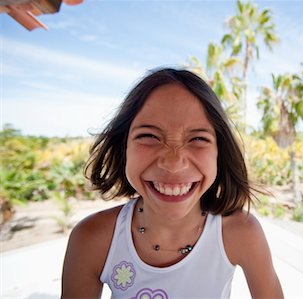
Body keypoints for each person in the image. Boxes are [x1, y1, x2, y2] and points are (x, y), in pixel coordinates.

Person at [61, 67, 284, 298]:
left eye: (198, 139)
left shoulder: (240, 233)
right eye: (149, 136)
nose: (174, 163)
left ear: (220, 152)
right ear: (124, 148)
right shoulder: (92, 239)